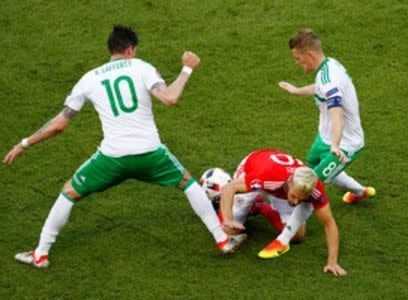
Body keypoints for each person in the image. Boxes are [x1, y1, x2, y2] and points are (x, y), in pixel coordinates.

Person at [3, 25, 243, 268]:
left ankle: (41, 254)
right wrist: (187, 69)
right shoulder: (141, 67)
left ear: (112, 49)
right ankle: (222, 240)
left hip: (112, 158)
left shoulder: (90, 78)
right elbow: (170, 97)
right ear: (130, 50)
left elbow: (58, 125)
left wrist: (24, 143)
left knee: (69, 193)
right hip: (151, 154)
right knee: (188, 183)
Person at [278, 28, 375, 204]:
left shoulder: (330, 79)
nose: (297, 63)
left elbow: (337, 114)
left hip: (344, 143)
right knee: (310, 171)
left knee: (307, 188)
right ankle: (360, 191)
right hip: (324, 136)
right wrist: (296, 90)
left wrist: (336, 145)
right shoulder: (329, 65)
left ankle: (289, 228)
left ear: (309, 55)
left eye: (298, 58)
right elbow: (319, 87)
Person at [220, 149, 347, 276]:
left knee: (297, 236)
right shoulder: (267, 176)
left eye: (301, 199)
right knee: (228, 230)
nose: (296, 202)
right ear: (289, 181)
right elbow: (229, 188)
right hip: (252, 167)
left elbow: (329, 223)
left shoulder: (313, 186)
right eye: (294, 196)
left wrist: (332, 262)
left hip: (278, 185)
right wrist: (227, 219)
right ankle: (220, 193)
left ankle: (259, 206)